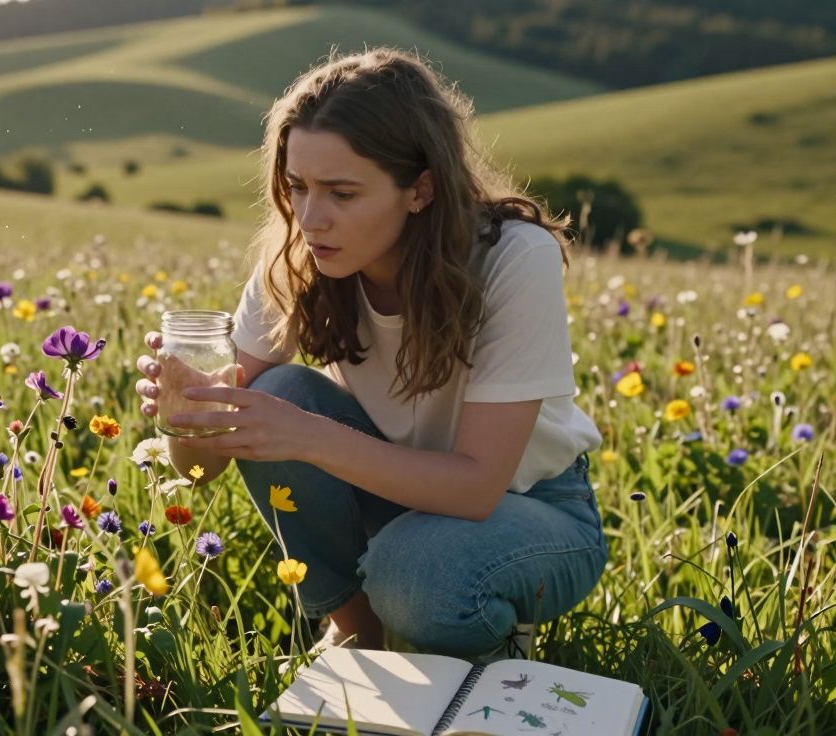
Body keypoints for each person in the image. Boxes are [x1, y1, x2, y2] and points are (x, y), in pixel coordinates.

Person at [133, 47, 606, 661]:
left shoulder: (513, 257)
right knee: (275, 394)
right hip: (390, 489)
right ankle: (356, 632)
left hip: (529, 511)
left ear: (420, 189)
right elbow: (201, 470)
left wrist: (303, 437)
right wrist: (192, 413)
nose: (309, 218)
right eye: (298, 187)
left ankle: (486, 651)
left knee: (415, 570)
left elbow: (477, 490)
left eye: (342, 193)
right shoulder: (297, 261)